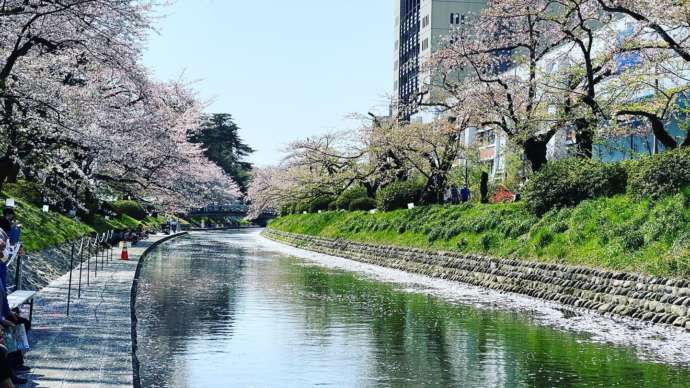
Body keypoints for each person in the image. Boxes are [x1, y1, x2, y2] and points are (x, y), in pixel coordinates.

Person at [0, 232, 28, 385]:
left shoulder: (1, 267)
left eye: (4, 247)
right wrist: (3, 320)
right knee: (7, 336)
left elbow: (2, 295)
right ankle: (10, 373)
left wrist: (8, 312)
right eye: (1, 248)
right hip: (0, 318)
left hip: (3, 313)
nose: (4, 252)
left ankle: (17, 364)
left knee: (22, 322)